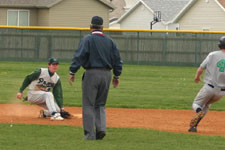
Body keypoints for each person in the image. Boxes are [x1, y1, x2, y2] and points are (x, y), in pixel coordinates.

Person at [69, 16, 123, 140]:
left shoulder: (87, 39)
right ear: (102, 28)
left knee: (88, 104)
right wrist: (117, 75)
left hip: (92, 73)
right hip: (106, 75)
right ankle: (101, 129)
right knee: (100, 104)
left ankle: (89, 134)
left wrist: (73, 71)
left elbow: (80, 56)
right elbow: (117, 60)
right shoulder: (110, 41)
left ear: (90, 27)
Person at [188, 36, 225, 132]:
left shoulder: (212, 55)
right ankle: (194, 127)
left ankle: (198, 112)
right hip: (221, 93)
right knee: (206, 105)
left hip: (209, 88)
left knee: (196, 104)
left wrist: (197, 77)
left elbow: (201, 68)